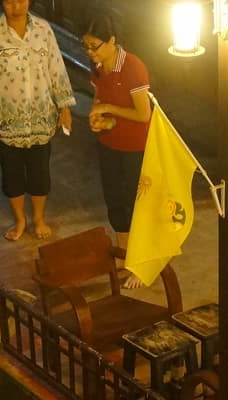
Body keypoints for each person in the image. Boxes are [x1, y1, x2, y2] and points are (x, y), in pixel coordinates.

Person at [0, 0, 76, 241]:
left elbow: (56, 69)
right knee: (11, 175)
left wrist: (65, 107)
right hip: (6, 123)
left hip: (41, 119)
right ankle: (20, 220)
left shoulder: (43, 30)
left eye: (20, 0)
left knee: (40, 173)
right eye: (9, 1)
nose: (16, 7)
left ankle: (39, 218)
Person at [83, 13, 152, 288]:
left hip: (135, 146)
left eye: (94, 46)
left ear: (112, 41)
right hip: (109, 143)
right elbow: (99, 98)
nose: (89, 52)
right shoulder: (98, 67)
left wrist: (108, 110)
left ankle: (144, 260)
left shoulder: (133, 67)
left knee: (137, 200)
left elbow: (143, 114)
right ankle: (125, 255)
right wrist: (97, 118)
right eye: (85, 46)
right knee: (115, 198)